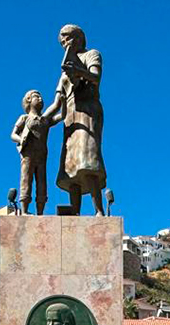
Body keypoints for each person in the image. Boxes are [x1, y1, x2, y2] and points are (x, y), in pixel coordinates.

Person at [43, 23, 107, 215]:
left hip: (88, 112)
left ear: (79, 38)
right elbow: (56, 103)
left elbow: (96, 77)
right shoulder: (63, 72)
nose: (65, 43)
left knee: (88, 161)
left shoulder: (92, 54)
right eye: (62, 41)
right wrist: (42, 120)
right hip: (70, 119)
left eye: (68, 38)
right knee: (70, 168)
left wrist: (78, 72)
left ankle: (99, 211)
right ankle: (75, 212)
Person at [11, 89, 60, 215]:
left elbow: (60, 112)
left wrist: (64, 101)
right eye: (36, 96)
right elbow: (13, 134)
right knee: (26, 180)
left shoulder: (45, 120)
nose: (40, 98)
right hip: (28, 155)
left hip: (42, 155)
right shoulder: (25, 118)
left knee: (42, 183)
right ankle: (25, 209)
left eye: (41, 97)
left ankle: (40, 212)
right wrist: (21, 139)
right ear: (28, 100)